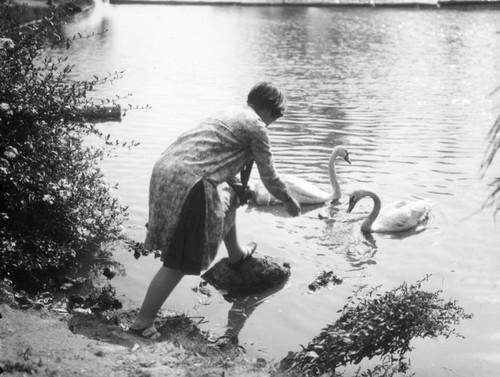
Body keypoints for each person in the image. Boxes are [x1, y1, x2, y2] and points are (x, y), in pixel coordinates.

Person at [128, 82, 301, 339]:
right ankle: (143, 322)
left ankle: (236, 254)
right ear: (267, 109)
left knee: (230, 196)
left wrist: (241, 189)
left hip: (166, 170)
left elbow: (219, 159)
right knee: (178, 260)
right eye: (278, 115)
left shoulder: (230, 113)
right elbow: (269, 175)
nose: (275, 121)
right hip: (191, 181)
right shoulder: (257, 127)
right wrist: (288, 199)